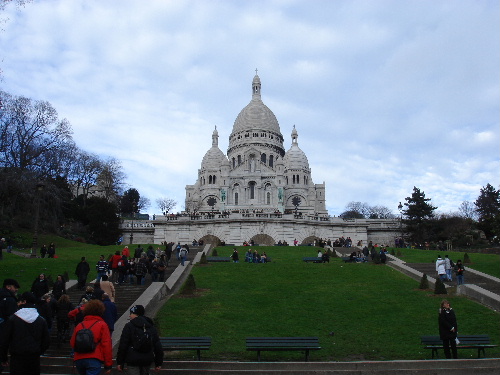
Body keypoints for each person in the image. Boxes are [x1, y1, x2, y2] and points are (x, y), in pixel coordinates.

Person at [0, 291, 50, 375]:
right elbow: (46, 341)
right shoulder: (41, 320)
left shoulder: (13, 319)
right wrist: (38, 351)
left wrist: (4, 358)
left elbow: (4, 340)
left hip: (17, 356)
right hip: (34, 356)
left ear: (24, 302)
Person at [116, 305, 163, 374]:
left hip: (132, 359)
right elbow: (157, 346)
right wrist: (158, 363)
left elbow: (123, 345)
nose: (130, 316)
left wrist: (120, 362)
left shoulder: (129, 326)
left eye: (131, 314)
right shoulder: (150, 326)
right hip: (147, 359)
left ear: (135, 314)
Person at [70, 299, 112, 375]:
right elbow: (106, 345)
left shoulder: (80, 325)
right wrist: (108, 364)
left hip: (79, 358)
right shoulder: (102, 325)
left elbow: (72, 343)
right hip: (94, 357)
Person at [0, 278, 20, 373]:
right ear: (8, 287)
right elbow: (11, 320)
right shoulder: (10, 300)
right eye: (15, 287)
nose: (16, 289)